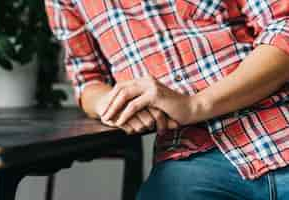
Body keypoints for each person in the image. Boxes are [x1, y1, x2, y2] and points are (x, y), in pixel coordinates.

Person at [45, 0, 289, 199]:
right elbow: (88, 80)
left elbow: (283, 27)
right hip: (190, 159)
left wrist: (195, 104)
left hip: (279, 128)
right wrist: (115, 102)